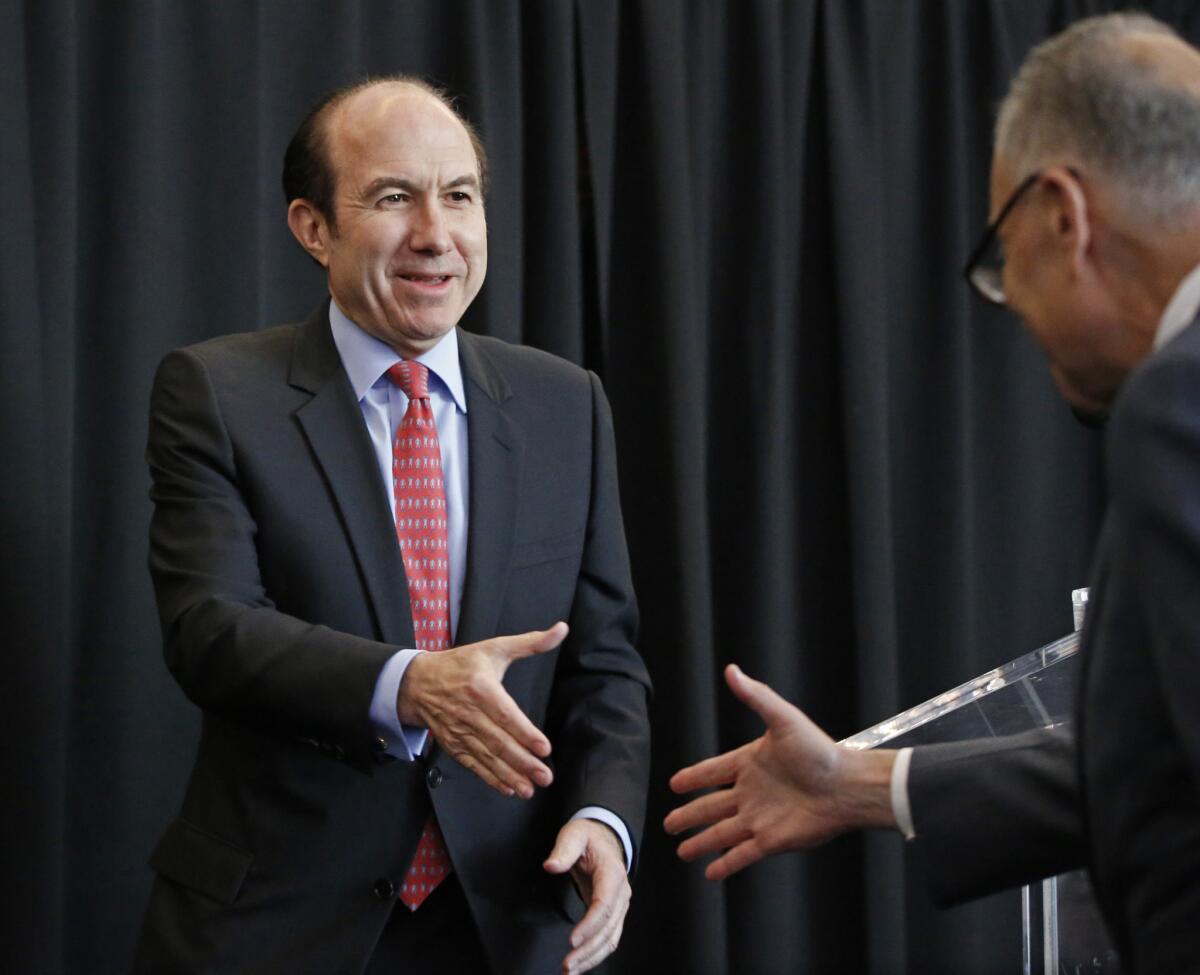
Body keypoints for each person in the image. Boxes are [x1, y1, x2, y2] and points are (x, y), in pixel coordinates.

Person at [664, 13, 1200, 974]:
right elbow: (1154, 762)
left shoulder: (1179, 399)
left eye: (1004, 264)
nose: (1016, 314)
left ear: (1063, 217)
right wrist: (857, 783)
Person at [134, 76, 651, 975]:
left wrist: (603, 819)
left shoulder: (567, 404)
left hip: (508, 921)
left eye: (459, 196)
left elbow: (605, 667)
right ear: (313, 227)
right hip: (277, 926)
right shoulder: (217, 393)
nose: (435, 235)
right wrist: (409, 684)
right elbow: (209, 631)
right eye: (393, 197)